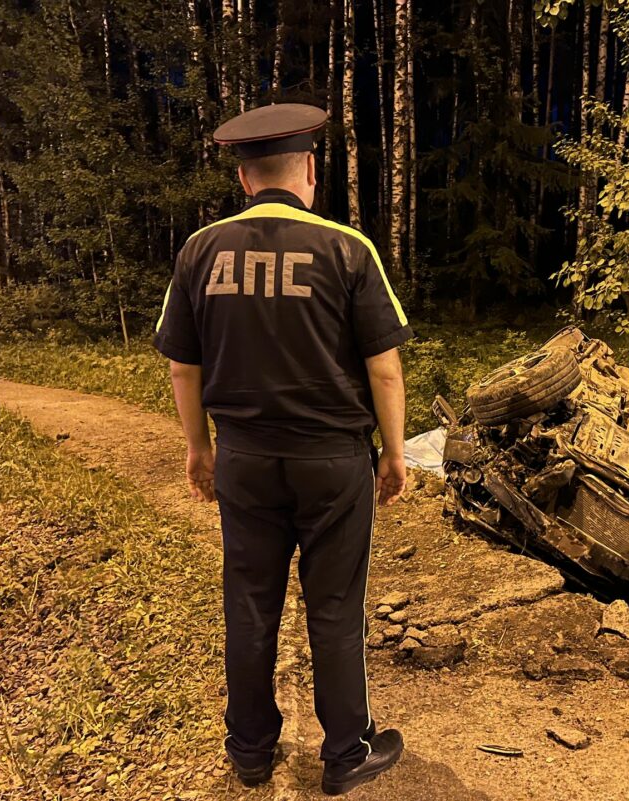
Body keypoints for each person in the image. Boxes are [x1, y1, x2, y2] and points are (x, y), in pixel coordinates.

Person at [152, 102, 411, 795]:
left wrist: (198, 448)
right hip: (332, 461)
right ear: (311, 171)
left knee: (249, 602)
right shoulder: (347, 249)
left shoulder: (199, 250)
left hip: (244, 459)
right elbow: (384, 367)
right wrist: (393, 452)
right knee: (335, 607)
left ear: (244, 178)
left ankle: (249, 750)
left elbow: (183, 366)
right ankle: (346, 752)